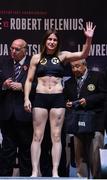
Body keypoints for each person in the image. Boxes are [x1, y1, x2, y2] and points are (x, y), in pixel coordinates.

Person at [24, 22, 95, 177]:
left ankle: (55, 172)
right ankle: (35, 172)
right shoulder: (36, 58)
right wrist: (26, 99)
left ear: (58, 42)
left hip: (57, 98)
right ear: (45, 41)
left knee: (56, 136)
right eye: (49, 39)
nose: (52, 42)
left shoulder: (63, 56)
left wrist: (88, 39)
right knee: (37, 136)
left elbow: (83, 54)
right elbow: (29, 80)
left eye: (55, 40)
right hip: (40, 98)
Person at [64, 59, 106, 178]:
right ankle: (81, 177)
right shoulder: (69, 83)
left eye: (77, 66)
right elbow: (65, 99)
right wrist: (66, 103)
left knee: (95, 154)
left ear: (84, 65)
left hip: (96, 122)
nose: (75, 69)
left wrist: (88, 101)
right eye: (72, 67)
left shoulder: (98, 77)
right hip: (77, 123)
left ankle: (97, 178)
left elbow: (104, 95)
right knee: (79, 154)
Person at [0, 39, 35, 176]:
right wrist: (3, 85)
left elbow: (41, 87)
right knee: (7, 151)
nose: (13, 52)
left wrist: (23, 88)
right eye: (11, 48)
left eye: (17, 49)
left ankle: (26, 178)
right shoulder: (3, 63)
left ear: (25, 50)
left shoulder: (33, 63)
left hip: (25, 115)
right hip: (6, 115)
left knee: (26, 152)